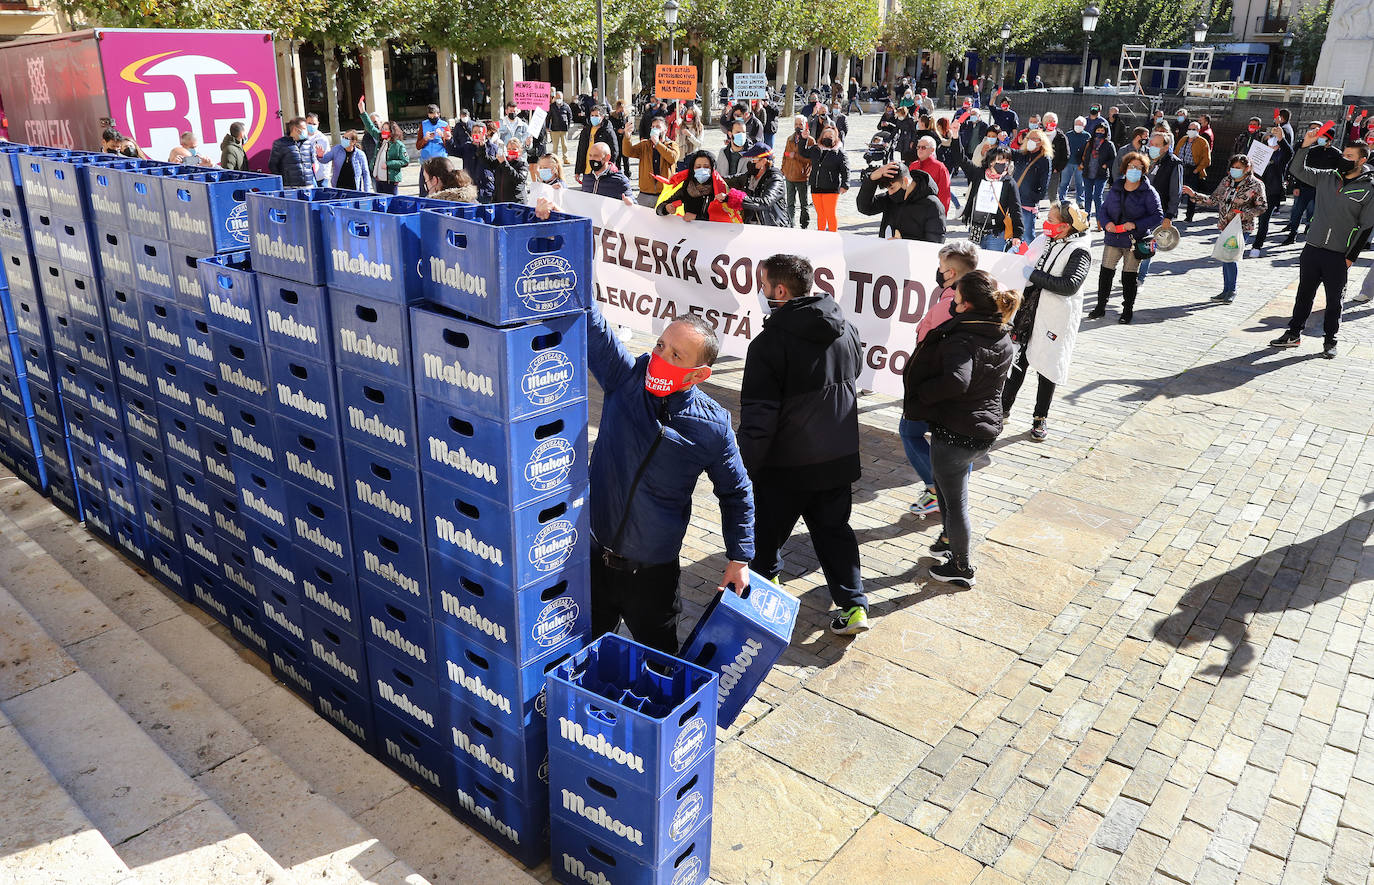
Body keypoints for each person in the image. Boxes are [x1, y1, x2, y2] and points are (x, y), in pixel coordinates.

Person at [585, 303, 754, 654]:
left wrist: (740, 558)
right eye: (661, 345)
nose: (660, 357)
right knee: (582, 655)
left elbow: (736, 490)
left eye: (676, 355)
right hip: (591, 560)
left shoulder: (711, 426)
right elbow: (593, 323)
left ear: (697, 375)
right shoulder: (625, 379)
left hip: (652, 575)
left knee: (659, 664)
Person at [739, 253, 867, 635]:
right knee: (834, 532)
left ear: (780, 290)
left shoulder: (768, 344)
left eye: (762, 285)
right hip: (837, 456)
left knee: (765, 536)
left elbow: (759, 418)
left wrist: (743, 467)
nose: (760, 292)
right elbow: (854, 371)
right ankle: (854, 605)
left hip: (786, 465)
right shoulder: (845, 326)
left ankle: (766, 599)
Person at [905, 269, 1019, 588]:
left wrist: (924, 393)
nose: (952, 302)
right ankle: (949, 542)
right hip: (982, 429)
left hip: (957, 434)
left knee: (955, 503)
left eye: (956, 298)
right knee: (948, 493)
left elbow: (957, 380)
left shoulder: (963, 338)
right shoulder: (999, 332)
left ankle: (961, 565)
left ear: (967, 304)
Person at [1270, 137, 1374, 357]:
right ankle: (1293, 333)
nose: (1343, 159)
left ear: (1362, 160)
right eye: (1343, 154)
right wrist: (1305, 145)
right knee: (1304, 294)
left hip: (1339, 255)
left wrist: (1350, 257)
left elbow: (1367, 226)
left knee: (1334, 301)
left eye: (1349, 157)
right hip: (1313, 248)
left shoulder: (1369, 189)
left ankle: (1330, 341)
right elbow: (1297, 169)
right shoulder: (1327, 177)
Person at [1002, 202, 1092, 441]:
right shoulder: (1045, 240)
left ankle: (1040, 418)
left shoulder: (1080, 251)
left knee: (1047, 367)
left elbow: (1069, 285)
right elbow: (1027, 261)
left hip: (1054, 316)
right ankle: (1002, 410)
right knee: (1017, 362)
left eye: (1052, 220)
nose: (1047, 224)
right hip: (1029, 311)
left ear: (1066, 226)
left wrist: (1034, 275)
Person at [902, 241, 978, 516]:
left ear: (953, 274)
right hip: (966, 391)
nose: (938, 271)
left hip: (936, 386)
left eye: (942, 268)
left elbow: (926, 345)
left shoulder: (949, 305)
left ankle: (938, 489)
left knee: (909, 431)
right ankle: (954, 491)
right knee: (959, 444)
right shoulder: (981, 296)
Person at [1182, 154, 1265, 304]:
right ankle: (1226, 290)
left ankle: (1231, 290)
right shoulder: (1227, 181)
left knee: (1231, 256)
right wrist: (1193, 194)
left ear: (1247, 168)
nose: (1235, 170)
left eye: (1238, 168)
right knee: (1225, 257)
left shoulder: (1255, 185)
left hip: (1241, 227)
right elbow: (1213, 199)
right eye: (1233, 167)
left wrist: (1244, 214)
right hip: (1225, 226)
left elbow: (1262, 207)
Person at [1092, 151, 1163, 323]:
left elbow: (1158, 216)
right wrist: (1106, 222)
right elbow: (1104, 209)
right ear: (1125, 168)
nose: (1134, 170)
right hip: (1113, 237)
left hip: (1134, 240)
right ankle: (1101, 306)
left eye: (1139, 168)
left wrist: (1137, 224)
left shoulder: (1148, 191)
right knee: (1106, 272)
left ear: (1144, 171)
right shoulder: (1116, 186)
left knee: (1129, 276)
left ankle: (1127, 310)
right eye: (1131, 166)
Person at [1137, 129, 1182, 287]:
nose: (1152, 147)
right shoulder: (1146, 159)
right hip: (1139, 208)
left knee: (1149, 244)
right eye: (1151, 144)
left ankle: (1140, 277)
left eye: (1157, 145)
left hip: (1158, 211)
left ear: (1166, 146)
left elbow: (1175, 192)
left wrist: (1169, 215)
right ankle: (1131, 272)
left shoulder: (1174, 163)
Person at [857, 161, 945, 241]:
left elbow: (934, 244)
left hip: (912, 257)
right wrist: (872, 179)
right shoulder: (890, 198)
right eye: (888, 189)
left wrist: (902, 243)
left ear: (906, 181)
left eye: (892, 188)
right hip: (887, 255)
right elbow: (865, 207)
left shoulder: (932, 205)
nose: (890, 193)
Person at [961, 147, 1023, 251]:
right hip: (975, 231)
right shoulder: (979, 174)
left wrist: (1018, 235)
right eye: (1000, 160)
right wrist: (955, 137)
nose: (1003, 163)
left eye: (1006, 160)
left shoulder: (1009, 182)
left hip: (996, 234)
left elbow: (1016, 209)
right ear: (991, 161)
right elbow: (961, 160)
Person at [656, 150, 744, 222]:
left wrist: (696, 217)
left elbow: (724, 216)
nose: (702, 170)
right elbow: (659, 209)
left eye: (706, 167)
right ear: (692, 169)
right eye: (698, 167)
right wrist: (666, 208)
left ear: (712, 169)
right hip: (691, 235)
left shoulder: (720, 189)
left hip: (713, 235)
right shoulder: (687, 187)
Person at [1249, 124, 1293, 256]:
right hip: (1255, 190)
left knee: (1264, 219)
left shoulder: (1281, 156)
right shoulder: (1259, 154)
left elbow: (1289, 152)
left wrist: (1281, 139)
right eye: (1268, 138)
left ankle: (1257, 245)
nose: (1270, 140)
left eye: (1273, 138)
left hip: (1271, 192)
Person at [1281, 122, 1325, 245]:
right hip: (1303, 187)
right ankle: (1292, 234)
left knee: (1312, 213)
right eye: (1311, 129)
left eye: (1316, 129)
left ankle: (1308, 232)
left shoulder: (1331, 152)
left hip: (1317, 189)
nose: (1313, 131)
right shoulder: (1303, 146)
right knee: (1297, 212)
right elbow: (1296, 165)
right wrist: (1296, 185)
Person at [622, 116, 680, 207]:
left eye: (658, 127)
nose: (654, 129)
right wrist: (627, 136)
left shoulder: (672, 145)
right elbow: (628, 152)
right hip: (645, 193)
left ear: (665, 130)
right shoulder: (645, 145)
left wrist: (657, 143)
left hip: (664, 193)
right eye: (653, 127)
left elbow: (672, 158)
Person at [725, 144, 787, 226]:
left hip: (773, 227)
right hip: (752, 225)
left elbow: (765, 202)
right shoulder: (750, 175)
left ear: (763, 161)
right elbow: (732, 179)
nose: (751, 161)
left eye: (753, 159)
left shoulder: (775, 179)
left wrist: (738, 199)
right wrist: (714, 177)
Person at [803, 125, 849, 232]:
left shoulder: (839, 152)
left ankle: (833, 236)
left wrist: (845, 184)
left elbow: (845, 170)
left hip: (831, 188)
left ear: (835, 137)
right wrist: (803, 139)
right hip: (816, 186)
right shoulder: (816, 149)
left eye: (830, 136)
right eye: (825, 135)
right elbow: (803, 152)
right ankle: (821, 235)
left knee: (830, 214)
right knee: (820, 214)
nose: (827, 137)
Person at [1013, 129, 1052, 237]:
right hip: (1015, 200)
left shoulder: (1044, 159)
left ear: (1041, 142)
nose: (1032, 141)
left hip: (1028, 203)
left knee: (1028, 236)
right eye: (1030, 138)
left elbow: (1045, 182)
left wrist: (1035, 197)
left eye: (1035, 138)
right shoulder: (1023, 154)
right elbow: (1009, 152)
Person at [449, 123, 499, 203]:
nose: (477, 134)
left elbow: (495, 165)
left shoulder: (493, 148)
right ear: (472, 134)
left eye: (480, 132)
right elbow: (453, 151)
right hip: (470, 186)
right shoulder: (467, 146)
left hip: (486, 186)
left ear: (485, 133)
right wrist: (449, 140)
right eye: (475, 132)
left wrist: (482, 146)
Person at [360, 113, 408, 195]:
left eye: (386, 129)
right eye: (383, 129)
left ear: (392, 131)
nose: (383, 131)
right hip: (378, 178)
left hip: (390, 180)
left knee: (392, 202)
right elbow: (370, 127)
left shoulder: (398, 145)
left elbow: (405, 161)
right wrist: (362, 112)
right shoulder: (381, 140)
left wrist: (389, 164)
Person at [1079, 119, 1115, 220]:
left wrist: (1106, 165)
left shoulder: (1109, 144)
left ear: (1106, 132)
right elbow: (1080, 154)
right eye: (1098, 130)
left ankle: (1100, 220)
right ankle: (1086, 219)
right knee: (1088, 197)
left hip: (1101, 174)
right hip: (1088, 173)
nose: (1099, 132)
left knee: (1098, 197)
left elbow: (1113, 158)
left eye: (1102, 131)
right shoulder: (1089, 142)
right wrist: (1081, 164)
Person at [1176, 120, 1211, 222]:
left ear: (1198, 130)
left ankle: (1189, 216)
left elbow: (1206, 160)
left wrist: (1197, 170)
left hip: (1192, 170)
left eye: (1194, 129)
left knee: (1192, 194)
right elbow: (1176, 152)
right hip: (1181, 168)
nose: (1191, 131)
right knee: (1177, 191)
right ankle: (1173, 213)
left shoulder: (1202, 142)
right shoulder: (1183, 139)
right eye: (1190, 129)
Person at [780, 116, 812, 229]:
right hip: (789, 176)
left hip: (802, 177)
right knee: (790, 203)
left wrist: (797, 156)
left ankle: (804, 223)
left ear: (805, 125)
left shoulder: (810, 140)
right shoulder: (790, 139)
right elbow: (785, 154)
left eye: (800, 124)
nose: (798, 126)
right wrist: (783, 169)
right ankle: (790, 223)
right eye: (796, 124)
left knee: (804, 204)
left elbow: (810, 160)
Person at [268, 118, 314, 187]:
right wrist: (284, 180)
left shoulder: (307, 143)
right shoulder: (281, 143)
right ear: (295, 129)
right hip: (290, 187)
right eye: (304, 128)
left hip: (308, 185)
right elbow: (272, 165)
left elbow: (311, 163)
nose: (306, 131)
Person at [909, 135, 952, 212]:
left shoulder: (940, 167)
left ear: (932, 150)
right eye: (918, 147)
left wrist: (940, 216)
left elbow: (944, 195)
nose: (920, 150)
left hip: (931, 214)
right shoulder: (913, 165)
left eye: (923, 147)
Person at [575, 105, 619, 177]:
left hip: (601, 170)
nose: (594, 117)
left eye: (596, 115)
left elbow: (614, 151)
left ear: (602, 117)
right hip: (587, 170)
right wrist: (578, 171)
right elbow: (581, 151)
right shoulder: (586, 130)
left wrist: (607, 167)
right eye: (592, 115)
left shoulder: (608, 131)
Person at [416, 105, 452, 192]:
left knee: (442, 185)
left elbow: (450, 146)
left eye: (435, 116)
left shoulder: (444, 125)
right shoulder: (423, 124)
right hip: (426, 160)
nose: (432, 118)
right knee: (425, 186)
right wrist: (425, 139)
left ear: (438, 114)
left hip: (441, 160)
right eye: (430, 116)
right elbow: (418, 146)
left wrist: (443, 136)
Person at [530, 154, 569, 219]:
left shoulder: (560, 185)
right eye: (540, 168)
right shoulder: (542, 184)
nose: (542, 170)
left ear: (555, 168)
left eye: (545, 168)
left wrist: (552, 190)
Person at [1061, 117, 1090, 204]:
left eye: (1080, 124)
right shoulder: (1068, 135)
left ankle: (1080, 200)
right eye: (1076, 124)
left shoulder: (1087, 136)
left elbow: (1088, 150)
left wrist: (1084, 163)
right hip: (1068, 163)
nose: (1078, 126)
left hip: (1080, 164)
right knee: (1064, 183)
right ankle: (1062, 199)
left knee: (1080, 184)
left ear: (1084, 126)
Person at [491, 137, 529, 203]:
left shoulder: (522, 163)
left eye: (514, 149)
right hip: (500, 202)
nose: (511, 151)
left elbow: (519, 179)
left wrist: (504, 163)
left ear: (520, 151)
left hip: (516, 202)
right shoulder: (501, 161)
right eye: (509, 149)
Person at [303, 114, 330, 186]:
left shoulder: (323, 139)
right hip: (307, 176)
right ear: (305, 123)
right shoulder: (302, 137)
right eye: (309, 123)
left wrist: (326, 176)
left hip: (321, 176)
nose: (312, 126)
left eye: (314, 124)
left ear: (318, 124)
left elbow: (328, 158)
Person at [548, 91, 573, 164]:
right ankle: (555, 159)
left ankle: (566, 158)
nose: (559, 99)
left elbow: (570, 116)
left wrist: (568, 125)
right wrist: (547, 126)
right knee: (555, 146)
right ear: (555, 97)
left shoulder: (566, 106)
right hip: (554, 128)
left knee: (564, 145)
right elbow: (548, 117)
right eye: (557, 97)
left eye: (560, 97)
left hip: (564, 128)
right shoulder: (552, 106)